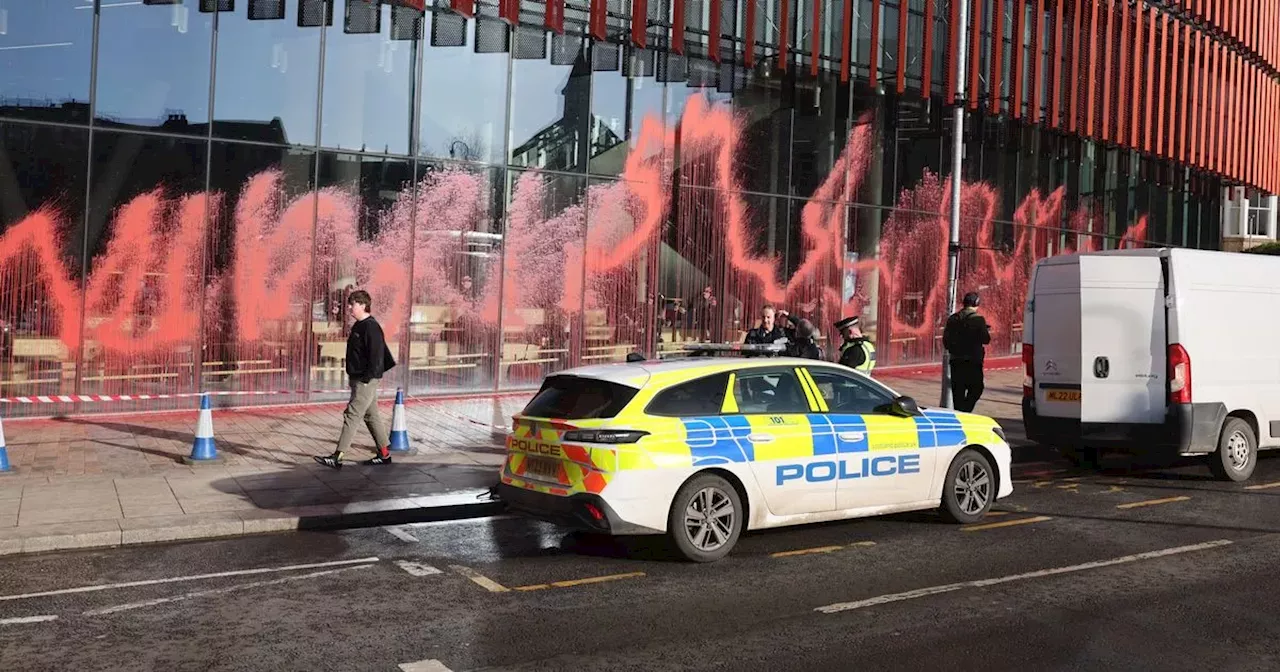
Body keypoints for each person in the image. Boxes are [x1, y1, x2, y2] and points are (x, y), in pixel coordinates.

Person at [314, 290, 398, 469]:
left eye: (352, 304)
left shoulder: (371, 327)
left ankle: (338, 456)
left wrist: (366, 379)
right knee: (371, 415)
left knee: (352, 414)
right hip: (359, 377)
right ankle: (384, 454)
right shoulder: (358, 326)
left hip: (366, 379)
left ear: (362, 305)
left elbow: (377, 356)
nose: (350, 307)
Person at [943, 291, 992, 413]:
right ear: (976, 303)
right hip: (972, 361)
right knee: (976, 389)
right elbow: (986, 340)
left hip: (956, 361)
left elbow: (946, 341)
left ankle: (960, 414)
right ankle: (966, 412)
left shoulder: (953, 319)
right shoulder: (978, 319)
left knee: (958, 393)